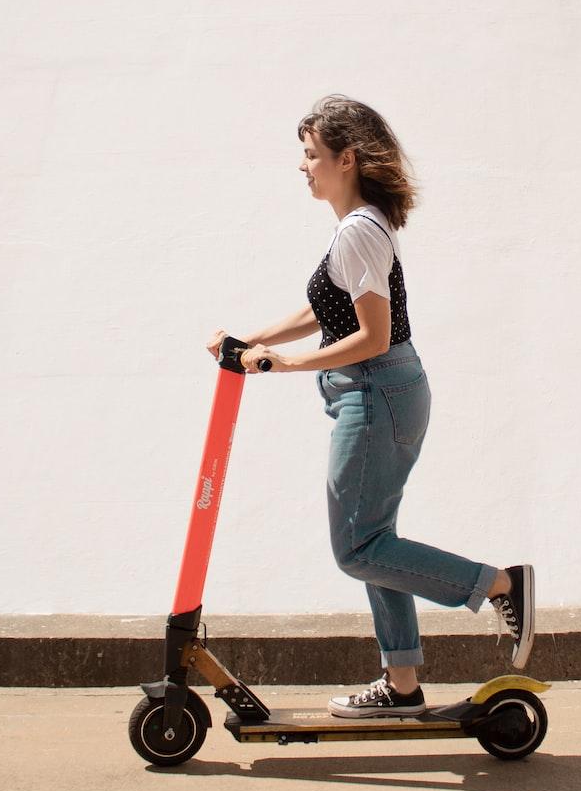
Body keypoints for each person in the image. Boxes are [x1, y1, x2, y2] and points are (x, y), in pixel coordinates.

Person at [206, 94, 535, 719]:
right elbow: (323, 312)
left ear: (346, 158)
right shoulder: (358, 227)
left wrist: (285, 364)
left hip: (375, 390)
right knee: (375, 542)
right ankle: (403, 685)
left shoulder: (358, 230)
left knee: (357, 549)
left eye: (311, 155)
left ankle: (499, 585)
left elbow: (372, 335)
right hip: (382, 392)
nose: (303, 167)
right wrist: (255, 341)